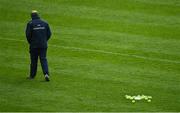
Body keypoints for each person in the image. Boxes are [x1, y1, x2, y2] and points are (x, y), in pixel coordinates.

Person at [26, 10, 51, 81]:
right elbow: (49, 34)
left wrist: (31, 42)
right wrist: (44, 40)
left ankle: (32, 76)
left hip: (34, 46)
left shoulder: (30, 24)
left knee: (34, 61)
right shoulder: (45, 23)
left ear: (32, 16)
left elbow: (28, 35)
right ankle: (46, 74)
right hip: (43, 45)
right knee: (43, 59)